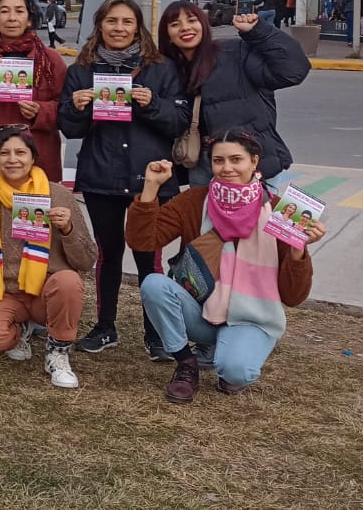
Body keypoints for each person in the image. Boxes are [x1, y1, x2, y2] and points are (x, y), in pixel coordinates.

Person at [130, 132, 320, 403]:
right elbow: (143, 240)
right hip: (202, 310)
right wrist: (150, 189)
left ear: (254, 162)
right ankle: (187, 363)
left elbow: (293, 296)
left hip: (253, 316)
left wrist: (299, 248)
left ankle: (235, 350)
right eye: (219, 160)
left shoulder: (280, 211)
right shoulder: (196, 201)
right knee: (153, 284)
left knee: (236, 372)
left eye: (236, 159)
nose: (227, 167)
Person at [58, 0, 190, 360]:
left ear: (138, 28)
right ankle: (105, 327)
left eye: (127, 22)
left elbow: (179, 122)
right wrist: (78, 107)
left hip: (150, 178)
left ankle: (156, 335)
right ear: (99, 25)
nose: (119, 28)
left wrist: (153, 104)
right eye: (111, 21)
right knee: (109, 254)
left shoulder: (160, 68)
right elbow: (69, 128)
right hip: (102, 175)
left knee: (149, 256)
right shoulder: (81, 70)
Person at [0, 127, 95, 389]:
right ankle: (20, 332)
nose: (12, 159)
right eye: (4, 153)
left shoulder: (58, 195)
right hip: (3, 290)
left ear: (33, 157)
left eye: (20, 152)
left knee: (68, 282)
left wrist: (68, 229)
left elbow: (87, 261)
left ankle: (58, 351)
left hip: (45, 291)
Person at [157, 2, 310, 192]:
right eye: (175, 24)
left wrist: (258, 32)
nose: (185, 27)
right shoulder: (168, 70)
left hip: (250, 164)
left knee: (256, 221)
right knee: (205, 222)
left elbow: (292, 71)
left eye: (191, 20)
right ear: (168, 35)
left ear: (204, 25)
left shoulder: (234, 52)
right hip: (203, 165)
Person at [0, 0, 66, 190]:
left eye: (19, 11)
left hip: (37, 165)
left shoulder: (50, 61)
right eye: (4, 11)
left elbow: (67, 110)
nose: (12, 18)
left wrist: (41, 111)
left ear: (30, 18)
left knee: (32, 223)